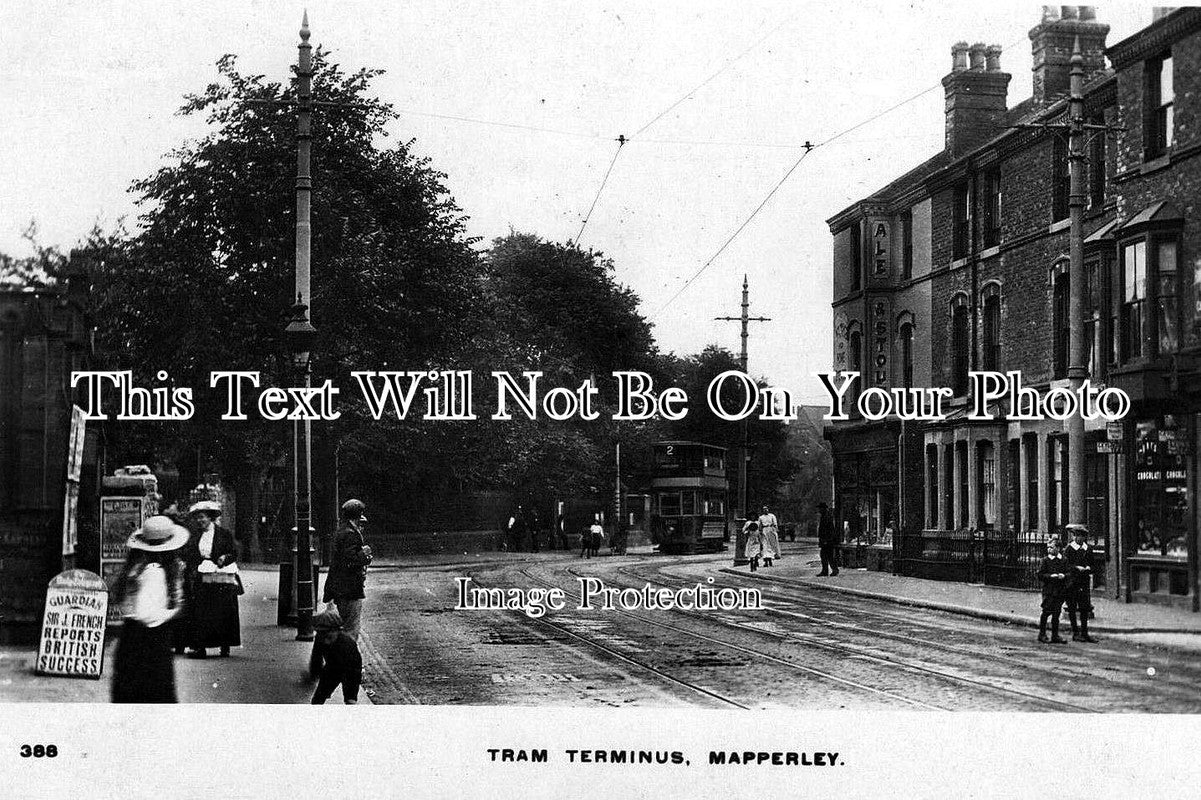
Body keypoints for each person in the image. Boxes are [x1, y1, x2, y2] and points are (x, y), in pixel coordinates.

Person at [111, 516, 188, 703]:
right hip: (150, 637)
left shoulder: (136, 567)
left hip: (131, 635)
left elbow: (125, 602)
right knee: (153, 693)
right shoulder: (158, 571)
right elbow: (149, 614)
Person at [181, 500, 242, 658]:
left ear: (210, 518)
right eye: (198, 518)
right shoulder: (196, 535)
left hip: (220, 575)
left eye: (203, 518)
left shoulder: (223, 534)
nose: (200, 521)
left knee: (222, 610)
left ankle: (224, 644)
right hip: (202, 575)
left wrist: (224, 558)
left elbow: (233, 553)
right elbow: (189, 553)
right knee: (201, 611)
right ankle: (200, 646)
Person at [322, 498, 373, 641]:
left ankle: (341, 659)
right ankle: (348, 660)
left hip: (340, 588)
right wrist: (365, 555)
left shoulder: (342, 531)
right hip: (350, 589)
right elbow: (350, 561)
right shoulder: (351, 534)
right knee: (351, 629)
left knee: (343, 628)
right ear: (358, 515)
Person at [309, 606, 363, 705]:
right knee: (318, 699)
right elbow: (317, 656)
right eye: (322, 635)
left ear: (337, 631)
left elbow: (354, 672)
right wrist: (315, 672)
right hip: (331, 667)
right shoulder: (320, 638)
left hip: (350, 669)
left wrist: (351, 695)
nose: (325, 640)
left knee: (350, 701)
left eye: (328, 636)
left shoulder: (347, 644)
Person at [1064, 524, 1097, 642]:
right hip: (1072, 582)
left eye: (1081, 536)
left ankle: (1085, 632)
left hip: (1084, 582)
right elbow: (1066, 565)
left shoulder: (1088, 549)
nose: (1078, 538)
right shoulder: (1069, 549)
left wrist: (1088, 568)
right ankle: (1075, 632)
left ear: (1084, 538)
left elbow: (1093, 565)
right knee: (1072, 608)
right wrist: (1076, 568)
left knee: (1084, 608)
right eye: (1076, 536)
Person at [1037, 540, 1069, 644]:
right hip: (1049, 590)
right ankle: (1042, 634)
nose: (1049, 549)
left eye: (1051, 547)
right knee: (1046, 612)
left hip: (1059, 590)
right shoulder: (1045, 560)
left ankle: (1055, 635)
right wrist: (1050, 576)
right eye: (1048, 547)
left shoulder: (1063, 560)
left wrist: (1064, 576)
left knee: (1056, 613)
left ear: (1058, 548)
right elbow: (1040, 575)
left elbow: (1069, 573)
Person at [817, 502, 840, 577]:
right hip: (825, 540)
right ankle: (827, 570)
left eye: (820, 508)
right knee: (825, 556)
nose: (819, 510)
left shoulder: (826, 516)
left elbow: (829, 529)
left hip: (827, 540)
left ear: (823, 508)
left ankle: (833, 570)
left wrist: (826, 540)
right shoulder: (825, 516)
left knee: (828, 556)